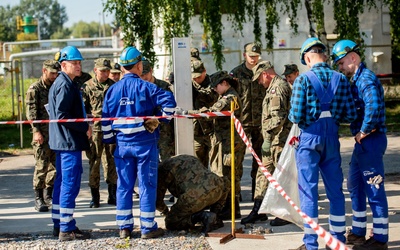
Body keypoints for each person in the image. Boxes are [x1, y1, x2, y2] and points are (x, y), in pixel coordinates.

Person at [289, 37, 357, 250]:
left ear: (308, 58)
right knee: (335, 190)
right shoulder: (341, 79)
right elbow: (351, 114)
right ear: (325, 56)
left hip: (309, 139)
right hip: (331, 139)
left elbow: (295, 115)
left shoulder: (302, 80)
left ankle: (311, 244)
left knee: (308, 192)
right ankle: (337, 241)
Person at [101, 46, 176, 239]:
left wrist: (111, 141)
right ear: (139, 65)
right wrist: (161, 119)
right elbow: (170, 103)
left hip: (122, 146)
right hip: (145, 144)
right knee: (146, 185)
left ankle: (124, 227)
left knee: (124, 186)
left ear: (123, 67)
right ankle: (147, 227)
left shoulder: (112, 90)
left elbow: (105, 121)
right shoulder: (146, 87)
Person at [332, 40, 389, 250]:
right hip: (363, 143)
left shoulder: (365, 80)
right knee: (355, 185)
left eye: (341, 63)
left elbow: (373, 108)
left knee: (374, 187)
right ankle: (358, 232)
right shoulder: (356, 80)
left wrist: (363, 131)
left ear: (353, 58)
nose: (340, 67)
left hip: (370, 141)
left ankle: (380, 239)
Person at [240, 61, 292, 226]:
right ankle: (258, 209)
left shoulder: (278, 88)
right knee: (262, 173)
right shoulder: (272, 87)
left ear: (265, 74)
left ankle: (285, 213)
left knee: (282, 177)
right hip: (272, 140)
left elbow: (279, 118)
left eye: (259, 79)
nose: (259, 83)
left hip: (279, 141)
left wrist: (267, 139)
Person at [187, 70, 244, 220]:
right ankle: (230, 208)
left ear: (224, 83)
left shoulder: (229, 98)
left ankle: (228, 208)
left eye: (215, 86)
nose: (213, 89)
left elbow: (211, 112)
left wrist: (188, 112)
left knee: (225, 176)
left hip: (227, 144)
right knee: (227, 175)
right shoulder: (227, 96)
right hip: (224, 142)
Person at [49, 46, 91, 241]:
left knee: (62, 183)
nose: (78, 66)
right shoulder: (65, 85)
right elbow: (62, 116)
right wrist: (85, 127)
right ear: (63, 65)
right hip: (68, 144)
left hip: (63, 143)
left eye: (79, 62)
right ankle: (66, 228)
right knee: (70, 183)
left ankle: (60, 223)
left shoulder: (63, 82)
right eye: (74, 63)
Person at [156, 154, 229, 235]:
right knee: (219, 186)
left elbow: (157, 201)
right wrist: (216, 210)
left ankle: (202, 217)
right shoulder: (183, 157)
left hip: (195, 196)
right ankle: (215, 216)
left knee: (171, 222)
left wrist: (167, 213)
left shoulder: (161, 169)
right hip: (219, 186)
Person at [229, 42, 265, 201]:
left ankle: (257, 195)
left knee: (260, 161)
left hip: (260, 123)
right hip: (241, 123)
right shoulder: (236, 73)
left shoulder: (264, 71)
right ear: (245, 55)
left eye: (256, 56)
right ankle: (235, 195)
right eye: (251, 56)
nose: (253, 59)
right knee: (236, 161)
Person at [82, 58, 118, 208]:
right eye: (103, 71)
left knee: (111, 161)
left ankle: (112, 194)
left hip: (111, 128)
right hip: (95, 129)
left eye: (107, 71)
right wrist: (86, 127)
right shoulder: (87, 87)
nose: (106, 73)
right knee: (95, 162)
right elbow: (82, 110)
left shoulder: (114, 86)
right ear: (95, 70)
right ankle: (95, 197)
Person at [25, 60, 60, 212]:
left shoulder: (56, 86)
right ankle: (38, 197)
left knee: (55, 167)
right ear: (44, 71)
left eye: (56, 73)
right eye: (52, 73)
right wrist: (36, 131)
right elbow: (31, 113)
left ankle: (49, 195)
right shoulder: (35, 89)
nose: (54, 76)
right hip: (42, 134)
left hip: (55, 133)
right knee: (41, 166)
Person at [140, 59, 175, 162]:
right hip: (145, 133)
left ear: (151, 70)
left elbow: (170, 106)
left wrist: (157, 119)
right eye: (141, 75)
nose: (143, 77)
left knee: (167, 162)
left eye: (145, 74)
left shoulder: (163, 86)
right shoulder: (139, 87)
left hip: (164, 133)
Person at [190, 60, 218, 168]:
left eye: (198, 76)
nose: (196, 79)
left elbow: (211, 96)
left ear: (204, 72)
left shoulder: (214, 82)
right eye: (194, 77)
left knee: (215, 164)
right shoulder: (189, 85)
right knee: (198, 165)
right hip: (197, 131)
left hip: (213, 130)